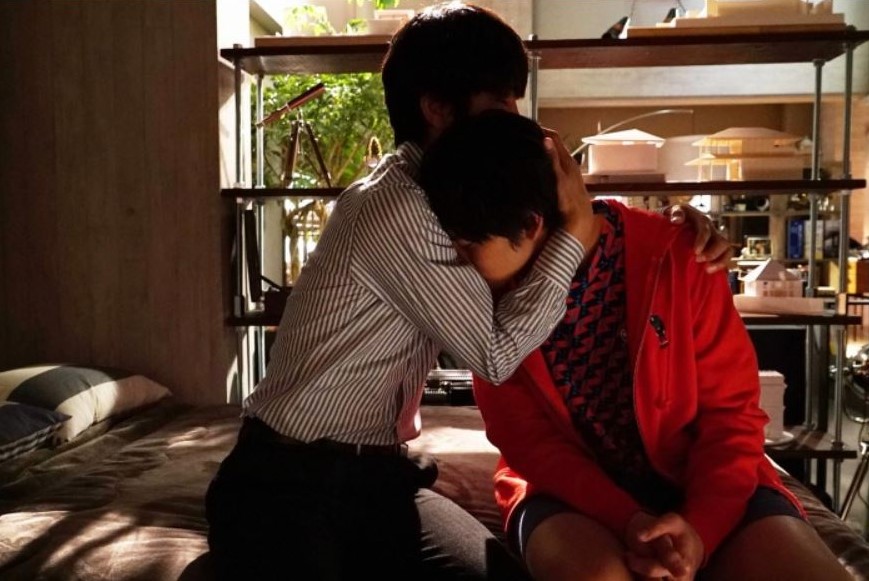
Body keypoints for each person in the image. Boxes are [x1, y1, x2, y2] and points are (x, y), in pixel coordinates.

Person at [205, 3, 731, 580]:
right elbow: (497, 353)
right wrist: (577, 234)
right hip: (287, 477)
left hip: (377, 474)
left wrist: (673, 228)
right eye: (501, 101)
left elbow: (542, 219)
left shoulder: (455, 197)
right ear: (436, 107)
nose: (515, 118)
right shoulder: (398, 206)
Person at [419, 109, 853, 581]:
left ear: (530, 224)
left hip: (705, 482)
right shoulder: (479, 300)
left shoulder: (678, 255)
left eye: (467, 246)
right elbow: (531, 444)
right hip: (568, 494)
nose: (457, 262)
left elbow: (730, 417)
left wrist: (701, 528)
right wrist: (630, 520)